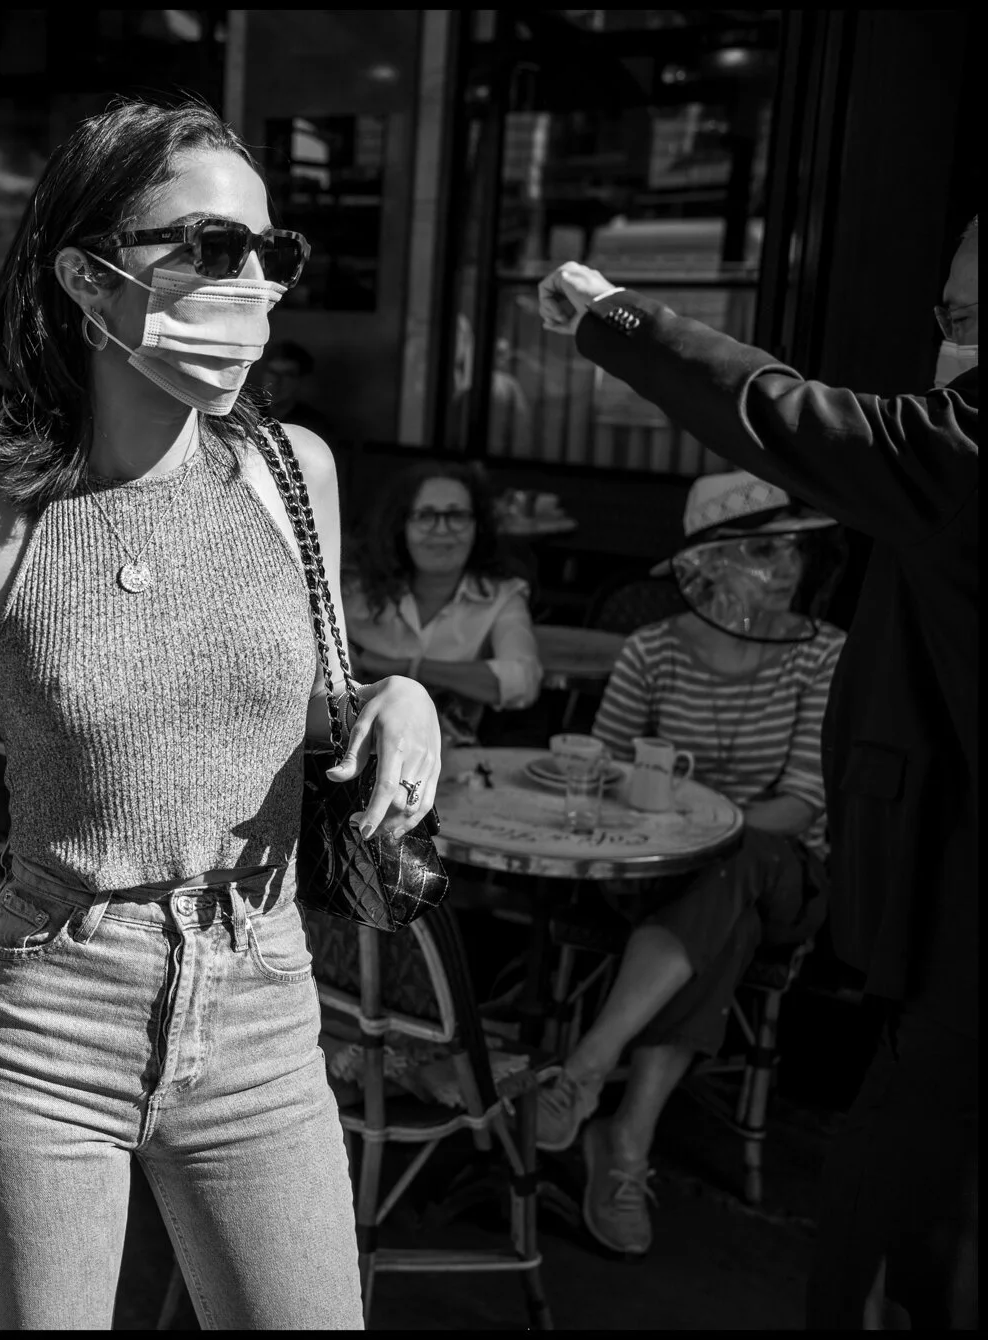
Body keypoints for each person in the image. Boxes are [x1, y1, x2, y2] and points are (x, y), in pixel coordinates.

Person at [0, 99, 442, 1329]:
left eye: (269, 251)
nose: (248, 280)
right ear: (83, 274)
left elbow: (295, 703)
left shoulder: (295, 472)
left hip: (262, 1002)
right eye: (209, 246)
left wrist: (398, 694)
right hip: (45, 1020)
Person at [538, 215, 977, 1328]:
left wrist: (609, 313)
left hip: (851, 894)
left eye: (970, 321)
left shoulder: (833, 633)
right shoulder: (652, 648)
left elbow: (782, 412)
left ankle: (594, 1084)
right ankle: (615, 1121)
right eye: (949, 319)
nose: (774, 570)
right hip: (711, 877)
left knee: (909, 1212)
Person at [537, 470, 845, 1258]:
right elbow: (601, 768)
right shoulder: (654, 650)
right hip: (659, 873)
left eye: (794, 552)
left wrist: (694, 825)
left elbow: (800, 806)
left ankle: (589, 1061)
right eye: (763, 552)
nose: (787, 568)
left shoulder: (822, 653)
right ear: (706, 566)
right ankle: (626, 1141)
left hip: (784, 878)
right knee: (721, 918)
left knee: (739, 860)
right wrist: (652, 813)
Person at [344, 460, 542, 745]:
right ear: (401, 525)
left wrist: (402, 667)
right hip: (354, 750)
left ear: (478, 527)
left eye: (456, 515)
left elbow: (522, 681)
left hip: (452, 758)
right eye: (425, 515)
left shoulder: (502, 596)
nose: (441, 529)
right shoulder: (354, 589)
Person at [255, 337, 337, 440]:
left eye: (287, 375)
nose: (277, 381)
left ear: (301, 380)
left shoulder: (315, 425)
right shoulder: (248, 414)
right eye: (272, 372)